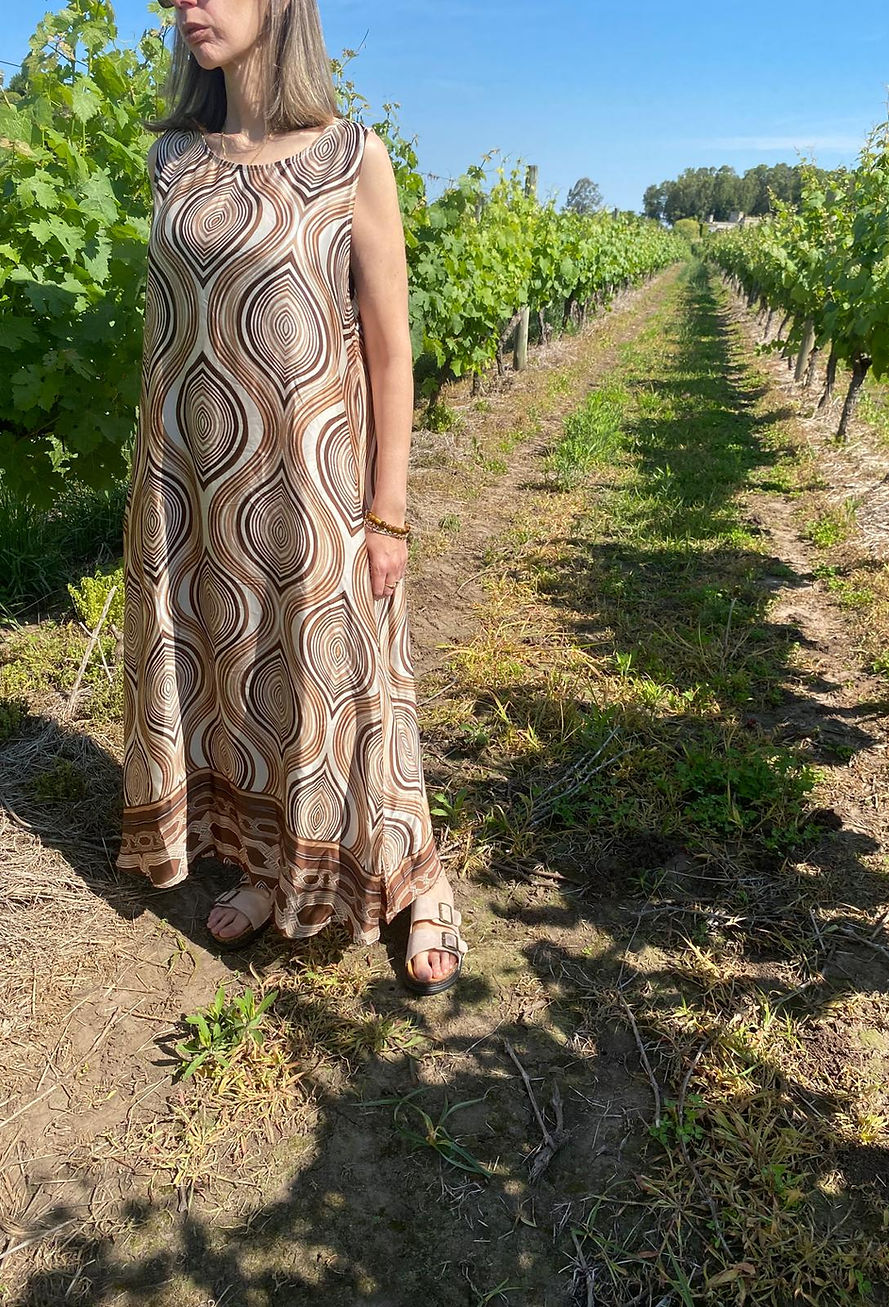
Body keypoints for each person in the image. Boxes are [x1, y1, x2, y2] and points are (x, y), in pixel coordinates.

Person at [115, 0, 468, 995]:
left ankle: (418, 877)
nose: (186, 4)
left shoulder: (351, 156)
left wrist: (387, 512)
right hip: (194, 487)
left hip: (314, 483)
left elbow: (391, 352)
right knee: (238, 676)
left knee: (352, 687)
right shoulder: (172, 161)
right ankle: (270, 866)